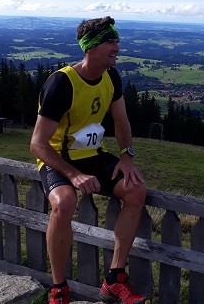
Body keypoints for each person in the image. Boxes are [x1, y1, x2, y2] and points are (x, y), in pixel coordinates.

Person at [30, 16, 149, 304]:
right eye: (110, 42)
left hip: (93, 155)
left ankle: (115, 280)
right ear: (91, 47)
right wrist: (73, 175)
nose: (117, 48)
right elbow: (37, 144)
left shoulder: (111, 77)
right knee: (64, 202)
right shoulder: (62, 83)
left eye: (117, 41)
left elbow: (121, 122)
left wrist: (127, 156)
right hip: (59, 158)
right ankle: (59, 289)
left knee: (136, 191)